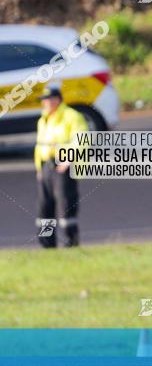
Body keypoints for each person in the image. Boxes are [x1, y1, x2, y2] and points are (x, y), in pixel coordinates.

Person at [34, 86, 89, 248]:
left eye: (49, 99)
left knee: (66, 206)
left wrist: (68, 160)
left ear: (58, 99)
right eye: (44, 100)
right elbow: (40, 146)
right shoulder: (44, 119)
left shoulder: (71, 116)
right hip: (46, 167)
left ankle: (70, 243)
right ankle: (47, 245)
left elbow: (83, 140)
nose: (46, 103)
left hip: (63, 166)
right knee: (45, 207)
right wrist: (39, 168)